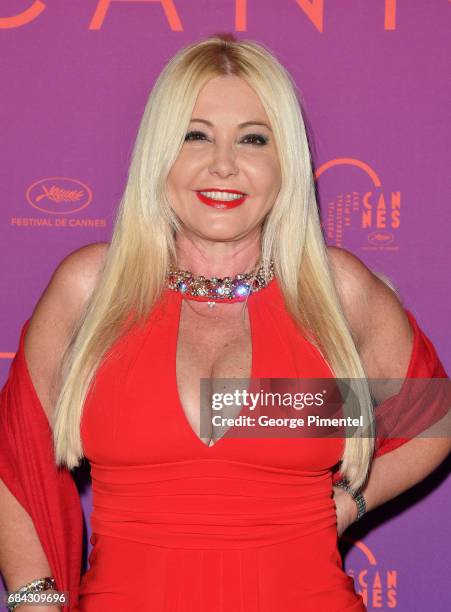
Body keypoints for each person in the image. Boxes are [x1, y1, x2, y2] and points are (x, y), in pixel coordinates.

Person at [0, 34, 449, 612]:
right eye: (195, 135)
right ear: (158, 153)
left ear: (284, 162)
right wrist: (38, 601)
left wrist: (348, 505)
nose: (224, 165)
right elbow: (16, 460)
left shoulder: (333, 292)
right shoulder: (92, 288)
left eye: (254, 139)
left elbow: (432, 414)